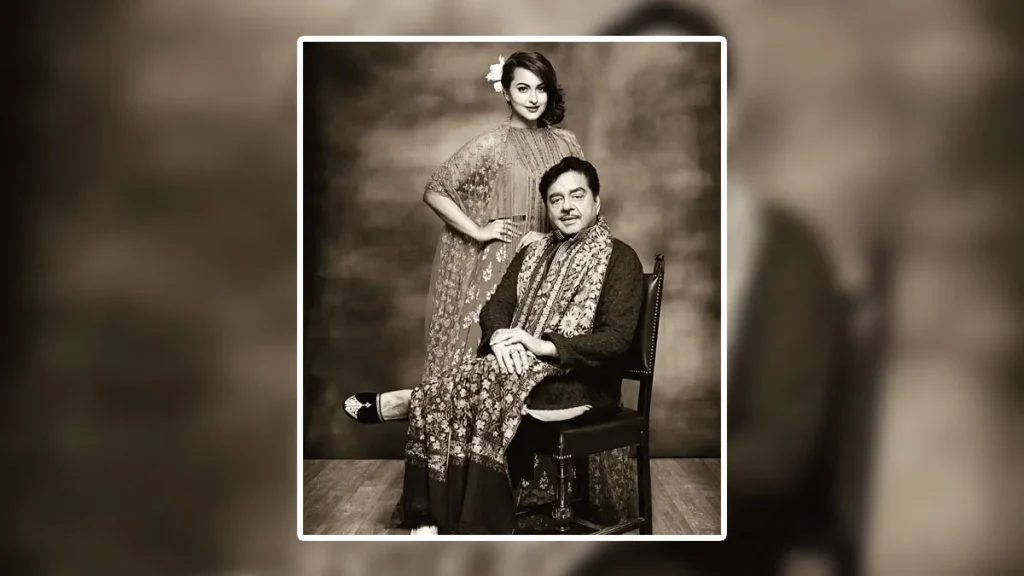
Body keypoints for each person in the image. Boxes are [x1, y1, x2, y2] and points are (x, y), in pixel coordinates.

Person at [394, 156, 645, 535]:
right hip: (522, 372)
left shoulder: (620, 258)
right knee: (493, 378)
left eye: (577, 195)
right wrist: (500, 340)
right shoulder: (533, 252)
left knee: (483, 386)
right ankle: (429, 515)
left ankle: (475, 520)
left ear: (597, 201)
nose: (567, 206)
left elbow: (616, 339)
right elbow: (496, 308)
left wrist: (540, 346)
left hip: (584, 384)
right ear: (548, 207)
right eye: (556, 199)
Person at [343, 50, 586, 424]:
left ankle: (412, 405)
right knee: (489, 360)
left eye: (541, 88)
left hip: (555, 261)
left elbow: (583, 201)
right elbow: (436, 189)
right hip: (504, 263)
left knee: (536, 363)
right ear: (506, 92)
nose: (534, 98)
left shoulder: (567, 143)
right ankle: (427, 414)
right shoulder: (492, 144)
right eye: (523, 88)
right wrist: (478, 231)